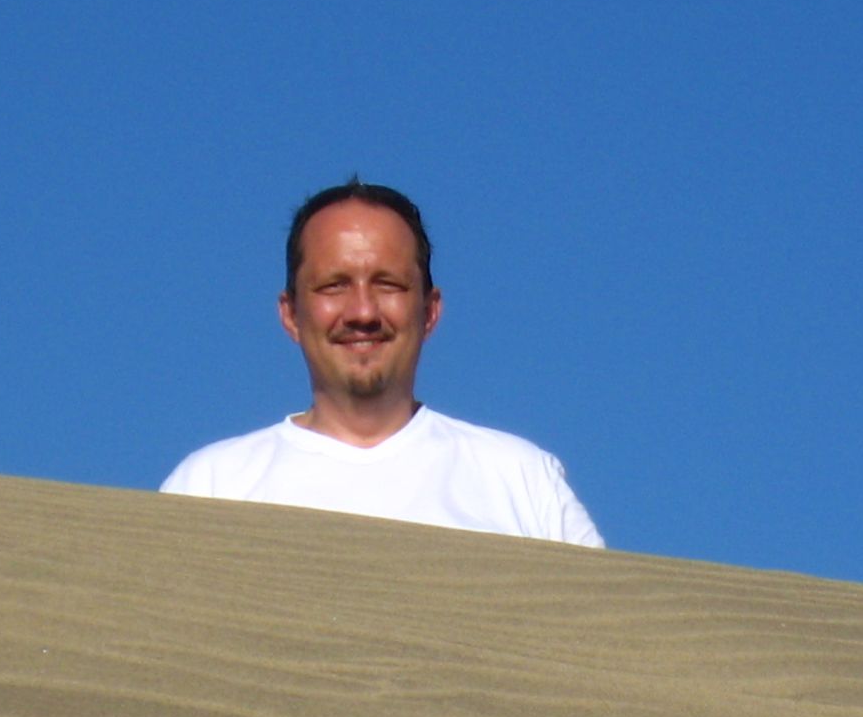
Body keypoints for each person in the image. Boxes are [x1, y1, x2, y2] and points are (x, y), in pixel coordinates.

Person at [161, 179, 603, 546]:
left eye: (388, 284)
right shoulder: (209, 487)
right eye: (334, 286)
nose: (363, 312)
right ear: (291, 314)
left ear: (429, 311)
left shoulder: (522, 480)